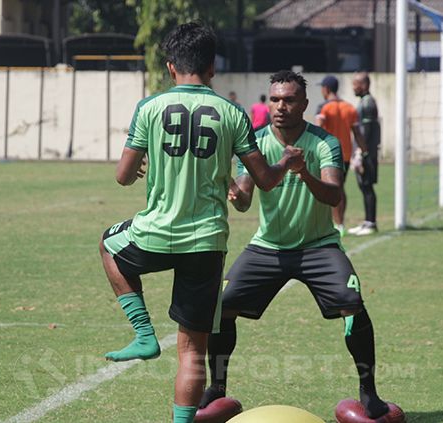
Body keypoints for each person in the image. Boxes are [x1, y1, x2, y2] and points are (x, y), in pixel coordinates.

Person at [99, 22, 304, 423]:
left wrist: (140, 163)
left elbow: (122, 176)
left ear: (171, 67)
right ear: (212, 68)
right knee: (192, 351)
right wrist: (285, 162)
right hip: (207, 242)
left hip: (155, 231)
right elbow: (263, 180)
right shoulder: (232, 112)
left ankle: (143, 333)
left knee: (109, 244)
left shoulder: (149, 107)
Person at [198, 70, 392, 419]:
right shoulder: (254, 142)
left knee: (352, 303)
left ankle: (369, 391)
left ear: (304, 104)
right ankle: (217, 388)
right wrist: (235, 195)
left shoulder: (323, 143)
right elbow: (244, 198)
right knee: (221, 306)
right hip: (267, 247)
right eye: (275, 99)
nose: (280, 106)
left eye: (289, 100)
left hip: (319, 247)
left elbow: (334, 195)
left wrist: (304, 173)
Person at [315, 75, 360, 237]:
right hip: (345, 154)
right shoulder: (349, 107)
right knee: (340, 188)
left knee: (327, 188)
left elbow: (318, 129)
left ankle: (334, 223)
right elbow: (357, 132)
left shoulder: (324, 107)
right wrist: (364, 151)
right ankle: (340, 223)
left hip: (328, 154)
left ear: (326, 89)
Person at [348, 72, 381, 236]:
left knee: (367, 186)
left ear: (364, 85)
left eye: (356, 84)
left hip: (367, 153)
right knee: (363, 186)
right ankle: (367, 221)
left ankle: (371, 223)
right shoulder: (363, 101)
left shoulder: (368, 103)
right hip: (364, 151)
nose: (353, 87)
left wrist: (361, 152)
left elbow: (366, 131)